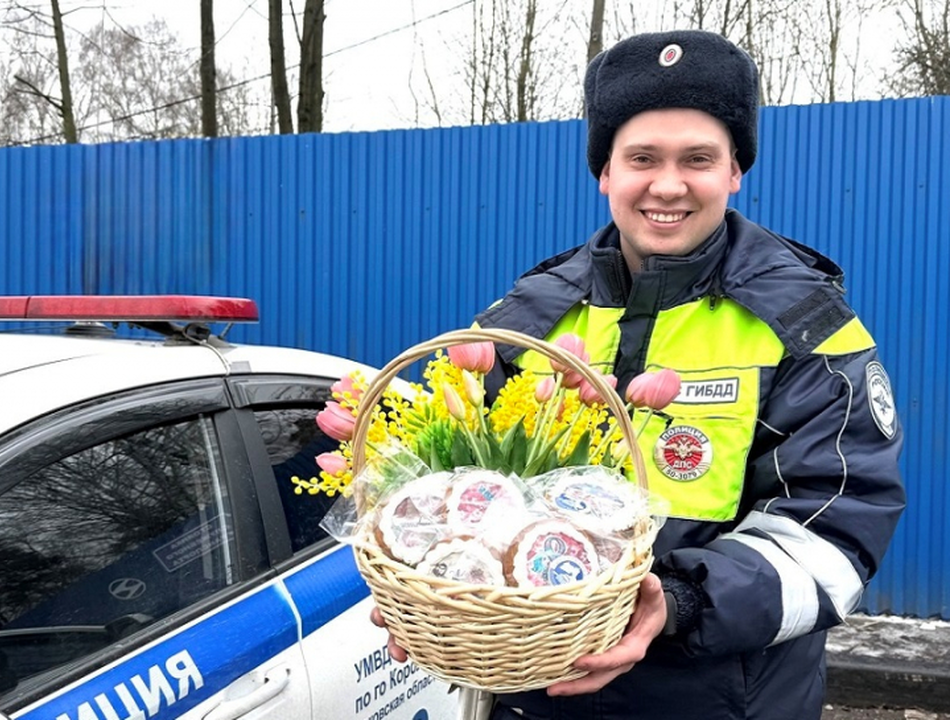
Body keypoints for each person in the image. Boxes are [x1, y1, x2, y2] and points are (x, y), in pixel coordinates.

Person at [373, 29, 906, 720]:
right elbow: (459, 497)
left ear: (734, 171)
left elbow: (835, 541)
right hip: (538, 696)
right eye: (642, 158)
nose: (668, 184)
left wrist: (676, 601)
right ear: (605, 172)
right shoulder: (529, 315)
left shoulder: (805, 327)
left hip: (723, 700)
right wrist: (428, 583)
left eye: (699, 159)